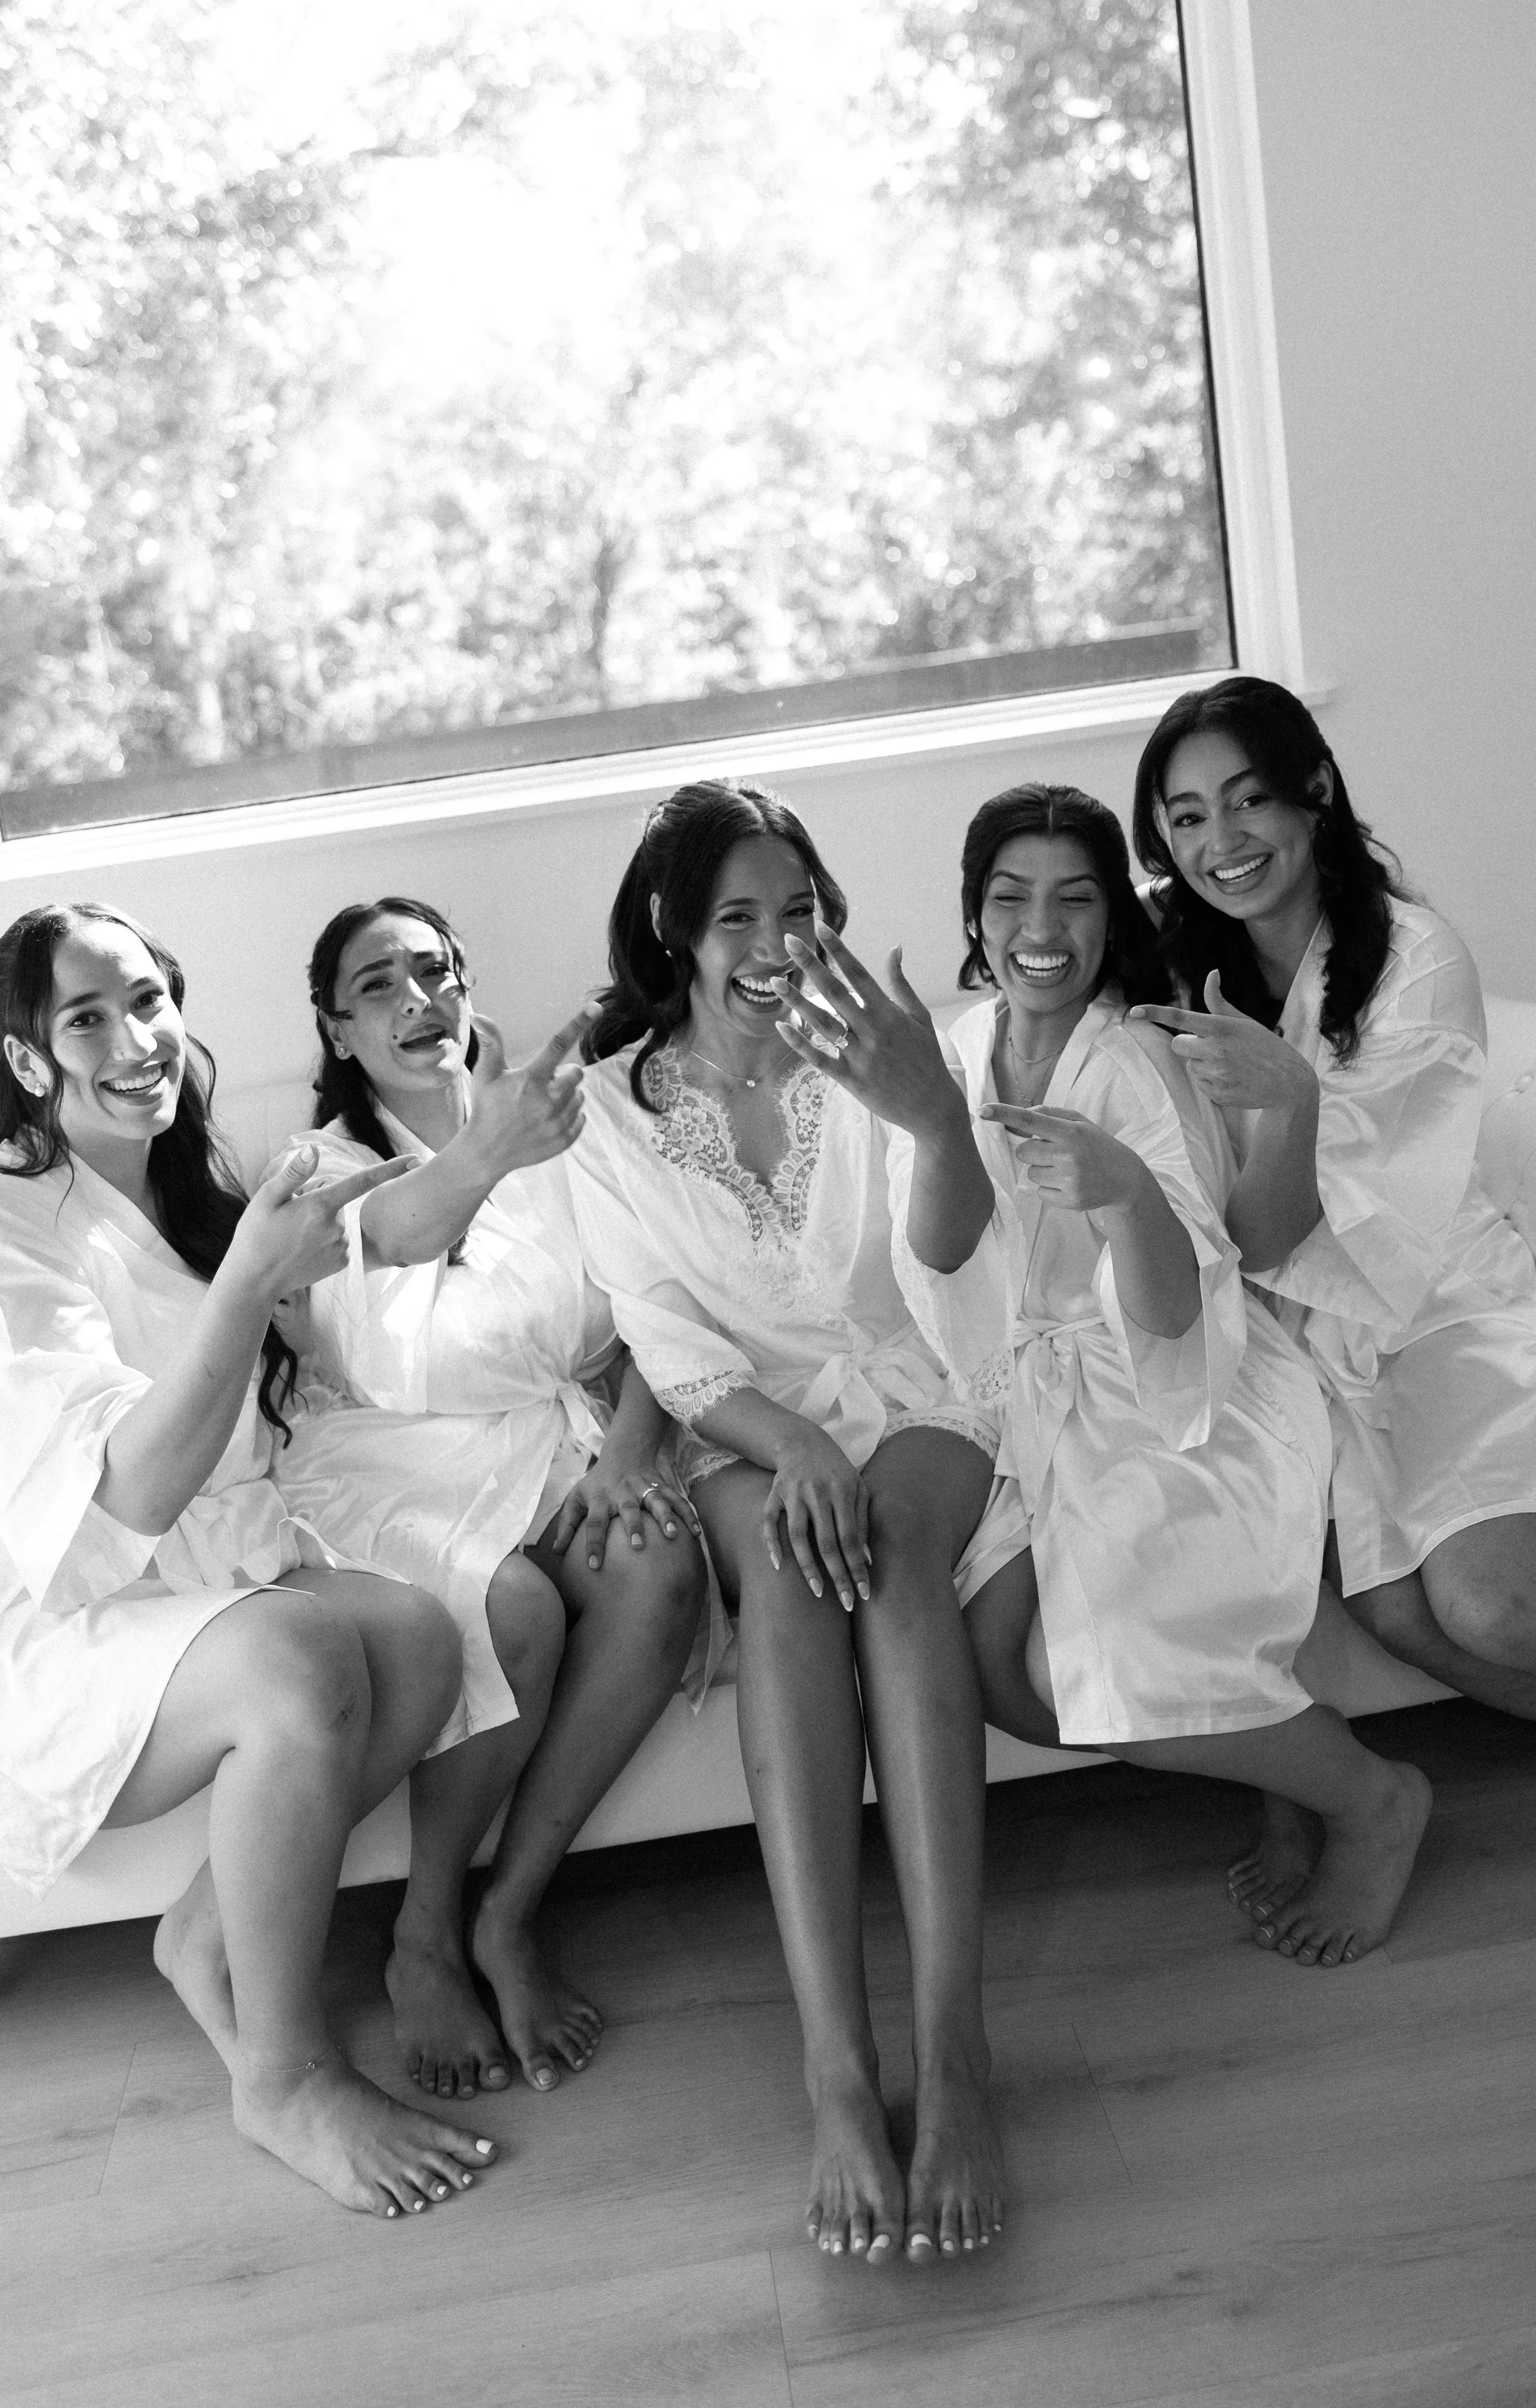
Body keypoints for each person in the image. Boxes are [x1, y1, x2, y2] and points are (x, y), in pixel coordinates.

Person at [774, 785, 1431, 1974]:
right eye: (1012, 896)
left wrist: (1126, 1193)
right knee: (1002, 1675)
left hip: (1182, 1398)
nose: (1044, 925)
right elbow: (931, 1266)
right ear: (975, 918)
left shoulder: (1135, 1060)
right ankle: (1273, 1756)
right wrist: (928, 1122)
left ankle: (1372, 1795)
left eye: (1077, 897)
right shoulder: (958, 1046)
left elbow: (1186, 1309)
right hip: (1025, 1402)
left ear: (1109, 917)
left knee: (1109, 1655)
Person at [0, 903, 494, 2219]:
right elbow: (101, 1515)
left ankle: (203, 1935)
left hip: (193, 1576)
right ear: (26, 1062)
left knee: (414, 1635)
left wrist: (493, 1146)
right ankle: (283, 2080)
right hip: (50, 1619)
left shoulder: (181, 1176)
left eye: (147, 999)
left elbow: (362, 1249)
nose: (134, 1041)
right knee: (301, 1657)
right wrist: (242, 1288)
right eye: (86, 1019)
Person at [569, 780, 1021, 2267]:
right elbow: (663, 1338)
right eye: (739, 918)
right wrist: (787, 1446)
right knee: (783, 1562)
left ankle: (951, 2057)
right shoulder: (609, 1113)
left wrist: (932, 1115)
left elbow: (951, 1264)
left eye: (800, 908)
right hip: (743, 1425)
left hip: (920, 1381)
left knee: (886, 1569)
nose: (778, 942)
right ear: (674, 934)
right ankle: (837, 2069)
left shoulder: (885, 1051)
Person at [266, 896, 708, 2102]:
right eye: (377, 986)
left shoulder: (568, 1131)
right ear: (337, 1028)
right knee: (514, 1608)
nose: (416, 1001)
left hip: (563, 1439)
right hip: (393, 1463)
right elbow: (394, 1332)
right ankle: (422, 1926)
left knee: (659, 1563)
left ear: (468, 987)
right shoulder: (319, 1173)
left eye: (433, 972)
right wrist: (489, 1149)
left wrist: (630, 1445)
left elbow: (656, 1306)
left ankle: (510, 1909)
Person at [1129, 676, 1536, 1921]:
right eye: (1186, 816)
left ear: (1311, 793)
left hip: (1442, 1305)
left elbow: (1284, 1224)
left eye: (1246, 800)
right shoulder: (1179, 962)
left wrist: (1287, 1103)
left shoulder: (1412, 959)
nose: (1220, 842)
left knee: (1488, 1603)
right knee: (1397, 1616)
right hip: (1311, 1345)